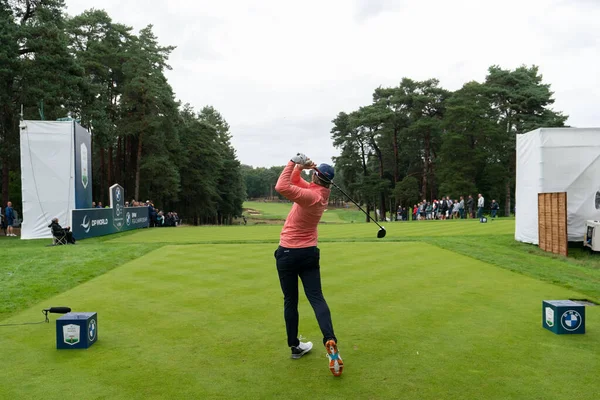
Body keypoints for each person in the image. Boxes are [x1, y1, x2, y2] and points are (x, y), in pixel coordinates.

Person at [273, 153, 343, 377]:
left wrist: (293, 162)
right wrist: (301, 168)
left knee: (290, 301)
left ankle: (295, 346)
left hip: (287, 253)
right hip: (309, 253)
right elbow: (294, 182)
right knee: (317, 298)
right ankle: (329, 340)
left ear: (316, 177)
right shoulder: (319, 193)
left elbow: (281, 186)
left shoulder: (309, 196)